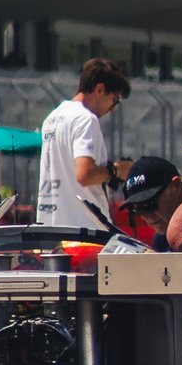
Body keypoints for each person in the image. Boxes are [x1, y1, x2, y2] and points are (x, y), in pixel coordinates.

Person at [37, 57, 130, 235]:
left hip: (51, 226)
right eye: (114, 100)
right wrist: (117, 170)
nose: (113, 108)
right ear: (100, 89)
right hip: (85, 230)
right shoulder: (86, 119)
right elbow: (85, 174)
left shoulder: (53, 117)